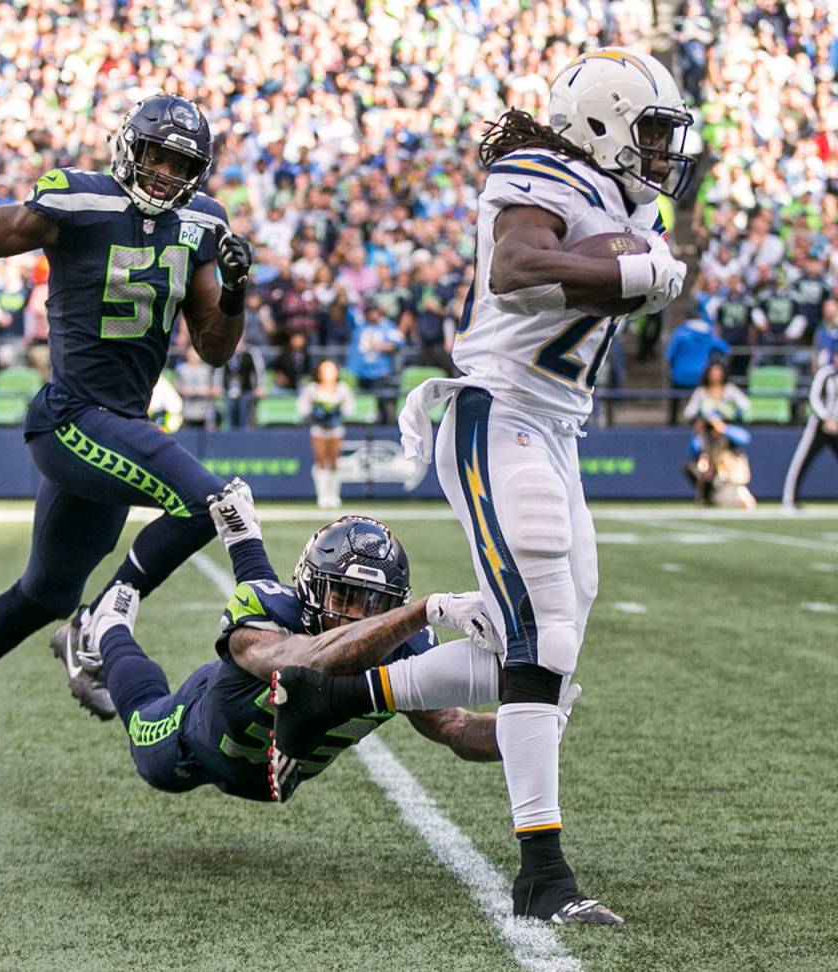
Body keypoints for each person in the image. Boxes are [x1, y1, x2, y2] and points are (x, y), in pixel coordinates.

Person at [271, 48, 696, 926]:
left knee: (545, 644)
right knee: (541, 639)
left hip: (553, 426)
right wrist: (631, 269)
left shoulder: (630, 203)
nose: (662, 151)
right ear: (604, 122)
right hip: (496, 413)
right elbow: (515, 266)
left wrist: (633, 260)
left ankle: (334, 695)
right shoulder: (544, 174)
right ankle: (542, 872)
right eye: (651, 131)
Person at [0, 93, 253, 782]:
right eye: (157, 155)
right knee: (211, 503)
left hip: (121, 425)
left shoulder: (201, 223)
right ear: (130, 148)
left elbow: (215, 349)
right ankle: (96, 623)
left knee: (43, 592)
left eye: (181, 164)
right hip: (72, 417)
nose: (165, 173)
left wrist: (234, 290)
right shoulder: (80, 200)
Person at [82, 481, 507, 805]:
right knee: (142, 722)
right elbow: (306, 662)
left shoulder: (404, 645)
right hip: (194, 739)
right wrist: (429, 608)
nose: (358, 616)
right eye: (343, 596)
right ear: (310, 586)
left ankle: (243, 537)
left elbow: (455, 727)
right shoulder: (273, 614)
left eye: (374, 604)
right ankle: (108, 626)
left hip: (266, 770)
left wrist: (525, 730)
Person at [682, 361, 754, 508]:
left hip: (727, 472)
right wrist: (700, 426)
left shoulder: (729, 392)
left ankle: (736, 494)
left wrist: (724, 427)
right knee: (695, 467)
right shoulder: (702, 392)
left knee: (726, 494)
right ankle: (706, 496)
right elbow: (693, 449)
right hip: (711, 470)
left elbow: (745, 436)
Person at [781, 346, 838, 511]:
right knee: (801, 460)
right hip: (819, 425)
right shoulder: (825, 373)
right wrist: (826, 418)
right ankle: (789, 500)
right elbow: (814, 398)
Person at [297, 359, 354, 510]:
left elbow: (349, 407)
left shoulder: (342, 388)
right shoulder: (312, 388)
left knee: (334, 461)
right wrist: (315, 414)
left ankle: (334, 496)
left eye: (331, 369)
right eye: (325, 370)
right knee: (321, 460)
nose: (328, 373)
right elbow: (302, 407)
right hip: (318, 429)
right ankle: (322, 496)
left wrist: (337, 412)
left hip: (336, 429)